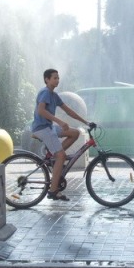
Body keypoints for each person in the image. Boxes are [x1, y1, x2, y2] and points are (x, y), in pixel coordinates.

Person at [31, 68, 93, 201]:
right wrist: (59, 121)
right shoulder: (45, 92)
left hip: (49, 127)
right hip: (42, 128)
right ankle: (53, 191)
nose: (57, 80)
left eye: (58, 78)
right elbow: (41, 111)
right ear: (47, 79)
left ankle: (55, 155)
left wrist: (86, 122)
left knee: (75, 133)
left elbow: (69, 111)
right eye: (54, 78)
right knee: (61, 156)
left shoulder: (54, 95)